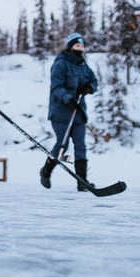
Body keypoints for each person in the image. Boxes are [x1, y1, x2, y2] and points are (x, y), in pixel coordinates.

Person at [41, 32, 99, 191]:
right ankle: (46, 170)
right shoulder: (60, 64)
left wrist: (89, 88)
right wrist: (68, 98)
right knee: (62, 145)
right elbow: (56, 87)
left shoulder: (83, 66)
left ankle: (82, 181)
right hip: (61, 112)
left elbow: (94, 81)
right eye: (77, 45)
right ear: (70, 47)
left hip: (78, 112)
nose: (80, 49)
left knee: (81, 146)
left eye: (82, 46)